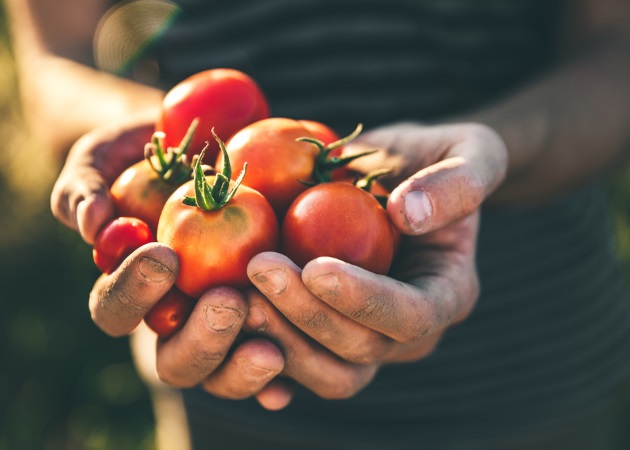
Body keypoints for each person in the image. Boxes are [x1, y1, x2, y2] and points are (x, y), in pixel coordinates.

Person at [6, 0, 630, 449]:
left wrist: (496, 154)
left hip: (539, 367)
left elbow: (615, 53)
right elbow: (54, 62)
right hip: (227, 388)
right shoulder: (225, 191)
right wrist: (160, 135)